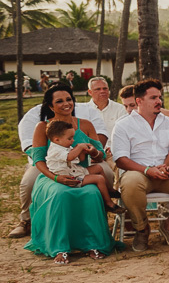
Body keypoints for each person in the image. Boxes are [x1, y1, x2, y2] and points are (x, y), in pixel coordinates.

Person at [25, 87, 117, 263]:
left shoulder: (86, 125)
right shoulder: (43, 127)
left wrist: (93, 152)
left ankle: (93, 243)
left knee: (90, 193)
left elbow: (101, 155)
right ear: (51, 106)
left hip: (80, 173)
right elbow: (38, 160)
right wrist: (56, 178)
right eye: (59, 101)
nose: (66, 104)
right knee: (61, 194)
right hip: (53, 176)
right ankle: (60, 247)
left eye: (68, 99)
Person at [111, 79, 169, 251]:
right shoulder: (123, 125)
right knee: (130, 183)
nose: (159, 101)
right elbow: (120, 159)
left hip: (166, 173)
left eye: (159, 97)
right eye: (153, 98)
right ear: (139, 101)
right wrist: (147, 170)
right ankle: (142, 229)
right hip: (139, 173)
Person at [46, 119, 119, 211]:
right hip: (70, 177)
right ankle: (108, 203)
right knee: (99, 178)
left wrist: (84, 151)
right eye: (70, 138)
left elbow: (81, 159)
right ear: (57, 139)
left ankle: (110, 191)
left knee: (98, 168)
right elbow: (69, 157)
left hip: (75, 170)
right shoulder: (55, 150)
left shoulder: (65, 146)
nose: (73, 140)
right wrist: (79, 147)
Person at [81, 76, 127, 141]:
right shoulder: (83, 110)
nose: (102, 91)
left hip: (115, 148)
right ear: (90, 92)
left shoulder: (120, 109)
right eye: (98, 89)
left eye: (105, 88)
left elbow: (124, 133)